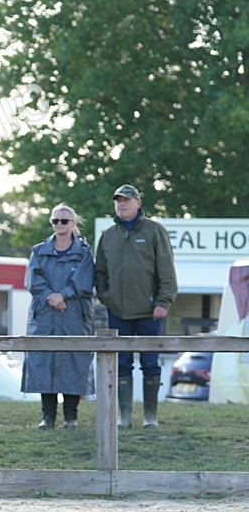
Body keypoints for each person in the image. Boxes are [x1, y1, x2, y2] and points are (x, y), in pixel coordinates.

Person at [95, 184, 178, 429]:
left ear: (138, 203)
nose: (122, 204)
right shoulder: (108, 236)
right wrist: (106, 298)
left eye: (127, 200)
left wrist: (163, 301)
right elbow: (100, 272)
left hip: (150, 312)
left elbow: (167, 271)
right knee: (121, 363)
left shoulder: (154, 230)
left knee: (150, 362)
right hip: (118, 312)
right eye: (118, 200)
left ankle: (150, 416)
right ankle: (124, 416)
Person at [20, 204, 95, 430]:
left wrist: (63, 295)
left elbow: (85, 281)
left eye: (64, 220)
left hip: (74, 315)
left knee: (74, 361)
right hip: (45, 315)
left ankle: (71, 417)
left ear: (73, 224)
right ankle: (48, 417)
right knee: (45, 361)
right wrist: (50, 297)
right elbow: (32, 280)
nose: (60, 224)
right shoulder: (39, 251)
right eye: (55, 220)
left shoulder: (84, 252)